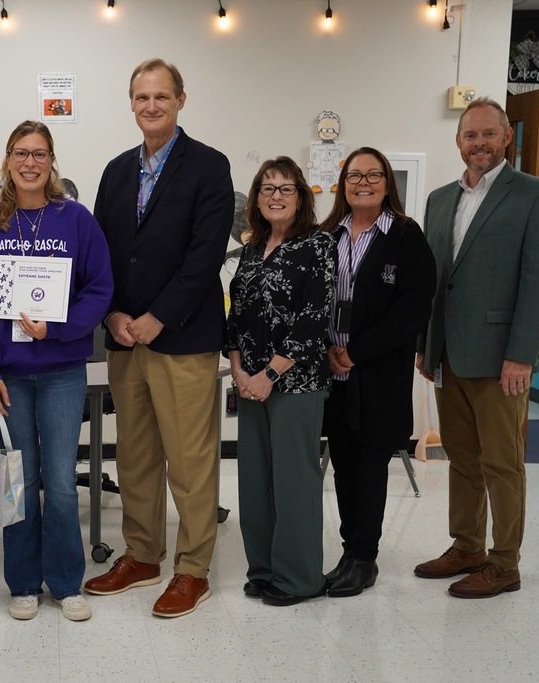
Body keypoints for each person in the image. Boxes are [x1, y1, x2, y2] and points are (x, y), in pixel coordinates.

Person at [87, 58, 234, 618]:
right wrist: (115, 314)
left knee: (190, 461)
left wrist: (158, 317)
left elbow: (203, 257)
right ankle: (143, 555)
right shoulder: (116, 171)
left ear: (180, 99)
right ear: (131, 103)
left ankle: (192, 568)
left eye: (161, 97)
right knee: (137, 457)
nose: (151, 106)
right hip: (126, 339)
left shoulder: (208, 167)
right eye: (141, 97)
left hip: (183, 340)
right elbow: (102, 252)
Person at [414, 97, 539, 598]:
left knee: (502, 461)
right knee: (462, 457)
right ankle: (467, 546)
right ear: (457, 142)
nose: (478, 143)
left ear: (506, 138)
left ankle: (505, 563)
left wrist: (522, 353)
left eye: (487, 134)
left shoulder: (537, 195)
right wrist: (425, 343)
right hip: (449, 353)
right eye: (469, 135)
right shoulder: (439, 199)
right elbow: (433, 281)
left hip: (502, 357)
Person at [0, 120, 113, 622]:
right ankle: (24, 583)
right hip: (9, 373)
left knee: (63, 482)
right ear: (7, 160)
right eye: (21, 153)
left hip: (62, 371)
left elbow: (100, 288)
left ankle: (67, 583)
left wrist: (63, 328)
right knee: (20, 480)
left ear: (52, 162)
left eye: (40, 154)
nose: (30, 163)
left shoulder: (76, 220)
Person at [319, 147, 437, 597]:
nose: (363, 182)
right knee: (344, 466)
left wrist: (357, 350)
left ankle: (365, 559)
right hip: (332, 373)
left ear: (388, 183)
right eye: (354, 175)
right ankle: (350, 554)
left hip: (376, 375)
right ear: (342, 184)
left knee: (369, 467)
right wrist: (329, 349)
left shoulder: (406, 236)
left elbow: (412, 311)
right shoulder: (328, 235)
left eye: (373, 175)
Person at [224, 157, 336, 607]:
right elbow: (235, 314)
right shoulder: (250, 249)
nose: (275, 196)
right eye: (267, 188)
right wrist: (238, 368)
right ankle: (265, 570)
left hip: (295, 383)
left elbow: (314, 320)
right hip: (249, 382)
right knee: (254, 479)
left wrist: (269, 374)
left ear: (301, 197)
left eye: (285, 188)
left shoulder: (318, 245)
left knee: (294, 482)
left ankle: (300, 578)